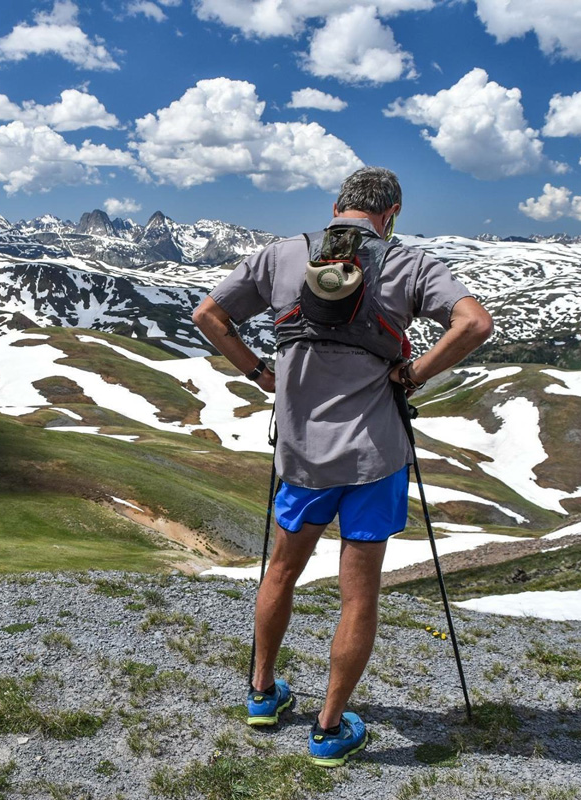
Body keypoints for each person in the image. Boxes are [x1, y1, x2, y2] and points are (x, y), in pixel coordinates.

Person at [191, 166, 492, 767]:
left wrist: (260, 374)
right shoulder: (411, 265)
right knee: (359, 596)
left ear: (335, 208)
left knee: (279, 573)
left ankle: (261, 695)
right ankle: (329, 730)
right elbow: (475, 324)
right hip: (373, 457)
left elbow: (208, 316)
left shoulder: (280, 256)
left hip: (300, 454)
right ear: (392, 214)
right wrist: (412, 373)